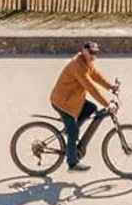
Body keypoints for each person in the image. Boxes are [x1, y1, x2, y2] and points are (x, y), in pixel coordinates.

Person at [50, 40, 119, 170]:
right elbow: (91, 88)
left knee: (91, 108)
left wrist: (111, 87)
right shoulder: (78, 66)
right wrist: (107, 104)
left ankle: (70, 130)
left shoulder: (86, 61)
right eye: (91, 53)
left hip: (73, 100)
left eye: (96, 53)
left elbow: (95, 75)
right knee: (73, 132)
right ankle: (72, 163)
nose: (94, 56)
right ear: (84, 51)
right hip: (63, 103)